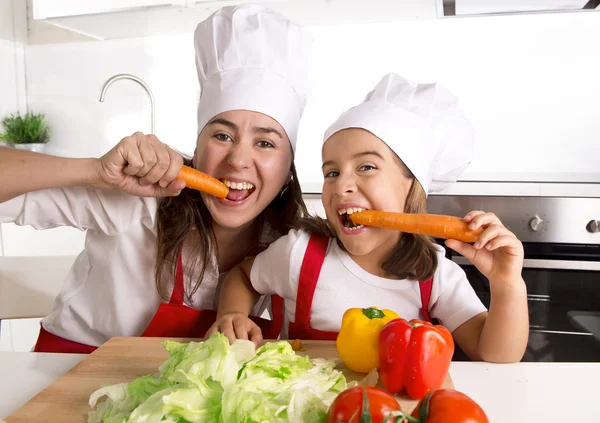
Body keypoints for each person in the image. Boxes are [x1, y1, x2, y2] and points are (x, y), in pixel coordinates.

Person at [0, 4, 314, 353]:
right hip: (69, 372)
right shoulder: (139, 197)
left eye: (265, 142)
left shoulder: (289, 246)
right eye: (222, 136)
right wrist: (94, 171)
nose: (238, 159)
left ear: (288, 172)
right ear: (196, 146)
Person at [207, 73, 529, 363]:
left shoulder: (436, 275)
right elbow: (244, 277)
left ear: (411, 187)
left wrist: (506, 284)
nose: (341, 186)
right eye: (331, 172)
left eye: (366, 167)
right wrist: (233, 313)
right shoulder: (299, 254)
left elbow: (495, 353)